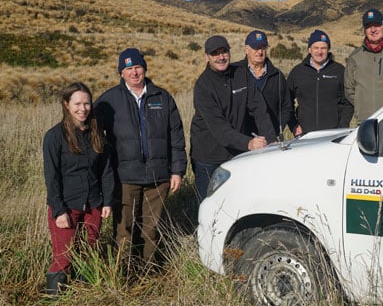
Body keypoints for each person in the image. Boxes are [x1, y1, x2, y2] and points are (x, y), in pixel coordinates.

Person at [94, 48, 187, 266]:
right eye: (128, 69)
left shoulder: (162, 98)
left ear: (144, 68)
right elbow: (92, 132)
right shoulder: (109, 101)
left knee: (151, 229)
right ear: (121, 73)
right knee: (124, 229)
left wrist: (177, 171)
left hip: (158, 177)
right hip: (125, 178)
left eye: (137, 67)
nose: (134, 73)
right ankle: (124, 272)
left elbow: (176, 137)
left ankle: (148, 270)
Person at [43, 82, 113, 295]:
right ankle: (54, 297)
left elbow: (106, 170)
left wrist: (107, 201)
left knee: (88, 254)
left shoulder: (96, 134)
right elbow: (51, 177)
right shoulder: (54, 137)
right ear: (66, 105)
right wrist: (59, 210)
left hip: (93, 205)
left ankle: (83, 295)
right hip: (67, 206)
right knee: (63, 257)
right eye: (77, 104)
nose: (82, 108)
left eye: (87, 103)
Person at [190, 35, 276, 202]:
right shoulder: (203, 86)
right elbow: (218, 127)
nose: (221, 57)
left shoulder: (241, 75)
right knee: (208, 202)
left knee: (235, 200)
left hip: (236, 154)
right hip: (209, 156)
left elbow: (258, 108)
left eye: (224, 52)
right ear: (207, 56)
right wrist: (248, 143)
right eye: (215, 54)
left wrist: (271, 140)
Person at [287, 29, 353, 136]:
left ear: (328, 50)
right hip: (305, 134)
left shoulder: (339, 71)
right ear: (309, 49)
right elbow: (286, 101)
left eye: (323, 48)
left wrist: (342, 127)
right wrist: (293, 124)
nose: (320, 52)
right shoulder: (298, 72)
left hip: (332, 135)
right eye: (316, 48)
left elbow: (348, 102)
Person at [232, 29, 293, 139]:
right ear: (246, 49)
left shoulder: (277, 76)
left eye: (263, 48)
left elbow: (286, 106)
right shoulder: (235, 73)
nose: (260, 52)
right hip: (241, 140)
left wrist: (276, 129)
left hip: (270, 139)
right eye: (256, 48)